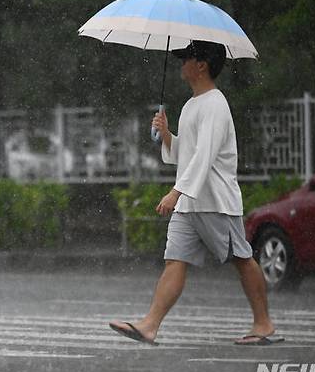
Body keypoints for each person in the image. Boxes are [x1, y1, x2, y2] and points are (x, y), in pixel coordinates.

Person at [109, 40, 283, 346]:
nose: (181, 64)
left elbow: (205, 157)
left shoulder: (216, 104)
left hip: (216, 203)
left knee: (242, 258)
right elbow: (185, 155)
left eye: (186, 58)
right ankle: (150, 325)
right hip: (190, 203)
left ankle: (264, 323)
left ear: (201, 65)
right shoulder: (191, 105)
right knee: (175, 260)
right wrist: (166, 136)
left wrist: (176, 191)